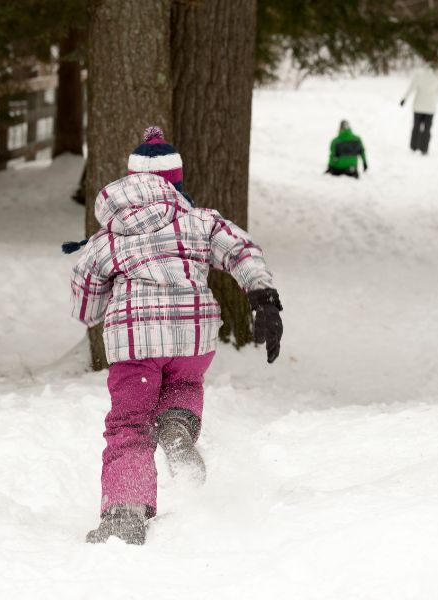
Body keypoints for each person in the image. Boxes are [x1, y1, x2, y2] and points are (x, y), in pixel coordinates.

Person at [66, 126, 283, 545]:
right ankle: (178, 424)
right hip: (192, 337)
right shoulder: (200, 221)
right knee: (184, 382)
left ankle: (125, 511)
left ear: (130, 181)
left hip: (136, 346)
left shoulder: (107, 237)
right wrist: (263, 297)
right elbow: (242, 250)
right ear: (175, 184)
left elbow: (85, 299)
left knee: (130, 424)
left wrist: (93, 309)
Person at [400, 65, 438, 154]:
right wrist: (435, 101)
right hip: (430, 108)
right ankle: (424, 148)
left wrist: (404, 99)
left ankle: (414, 147)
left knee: (416, 127)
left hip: (418, 107)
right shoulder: (437, 78)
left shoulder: (419, 76)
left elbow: (411, 88)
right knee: (427, 129)